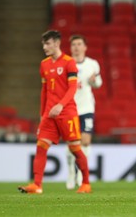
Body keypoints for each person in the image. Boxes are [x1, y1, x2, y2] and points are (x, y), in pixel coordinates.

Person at [18, 30, 91, 194]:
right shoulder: (44, 64)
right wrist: (42, 114)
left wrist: (60, 105)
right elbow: (44, 91)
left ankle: (85, 183)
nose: (45, 47)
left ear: (57, 43)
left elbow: (73, 88)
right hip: (49, 115)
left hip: (67, 113)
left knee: (75, 149)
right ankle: (37, 185)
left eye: (48, 43)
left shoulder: (69, 62)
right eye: (44, 44)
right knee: (41, 147)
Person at [66, 35, 102, 190]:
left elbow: (98, 84)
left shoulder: (92, 64)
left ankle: (81, 175)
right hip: (69, 109)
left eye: (79, 44)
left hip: (86, 108)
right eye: (74, 44)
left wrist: (94, 80)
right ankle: (70, 173)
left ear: (85, 47)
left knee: (85, 141)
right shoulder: (66, 63)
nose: (76, 47)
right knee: (72, 145)